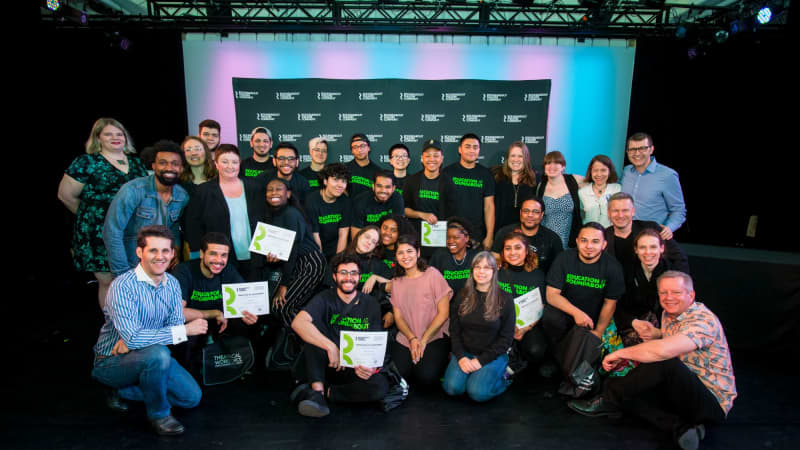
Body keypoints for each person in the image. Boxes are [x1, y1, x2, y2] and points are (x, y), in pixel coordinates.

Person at [568, 272, 736, 450]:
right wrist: (658, 334)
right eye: (663, 293)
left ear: (691, 295)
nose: (669, 298)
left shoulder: (703, 321)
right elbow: (676, 339)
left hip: (711, 402)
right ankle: (680, 426)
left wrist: (621, 354)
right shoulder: (669, 313)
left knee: (663, 362)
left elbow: (664, 351)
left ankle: (606, 401)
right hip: (680, 390)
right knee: (627, 387)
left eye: (676, 292)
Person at [91, 226, 206, 436]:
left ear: (172, 254)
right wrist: (183, 330)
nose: (160, 257)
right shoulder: (122, 287)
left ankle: (125, 391)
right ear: (139, 252)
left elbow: (168, 327)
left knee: (191, 398)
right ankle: (159, 414)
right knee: (158, 354)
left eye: (165, 251)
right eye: (153, 250)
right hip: (111, 360)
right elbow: (142, 336)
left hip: (148, 354)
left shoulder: (172, 284)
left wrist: (137, 340)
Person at [58, 118, 149, 309]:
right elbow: (66, 195)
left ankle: (134, 321)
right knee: (108, 280)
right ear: (98, 138)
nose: (115, 138)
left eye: (119, 134)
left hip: (132, 229)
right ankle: (113, 326)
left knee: (135, 277)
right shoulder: (86, 162)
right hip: (98, 232)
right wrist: (92, 218)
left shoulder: (137, 163)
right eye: (108, 134)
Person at [290, 252, 391, 417]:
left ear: (359, 277)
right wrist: (331, 347)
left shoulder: (371, 303)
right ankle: (317, 391)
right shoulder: (324, 298)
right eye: (343, 272)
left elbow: (375, 341)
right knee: (312, 336)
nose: (348, 277)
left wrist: (367, 367)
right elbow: (298, 323)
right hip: (327, 363)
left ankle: (326, 394)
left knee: (380, 387)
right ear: (334, 276)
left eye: (353, 273)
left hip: (353, 367)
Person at [171, 232, 259, 370]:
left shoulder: (229, 270)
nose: (219, 260)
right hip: (195, 322)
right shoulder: (183, 271)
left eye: (224, 255)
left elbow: (245, 302)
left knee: (250, 324)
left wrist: (248, 315)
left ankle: (242, 370)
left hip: (221, 321)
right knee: (185, 339)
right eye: (213, 254)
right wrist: (213, 313)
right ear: (201, 254)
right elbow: (177, 314)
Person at [103, 140, 189, 277]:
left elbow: (173, 227)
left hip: (162, 267)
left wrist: (176, 250)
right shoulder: (132, 191)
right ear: (154, 166)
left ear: (181, 168)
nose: (169, 167)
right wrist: (123, 274)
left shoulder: (182, 196)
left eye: (175, 164)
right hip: (133, 265)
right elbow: (112, 232)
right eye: (163, 163)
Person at [184, 144, 265, 280]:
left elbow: (266, 219)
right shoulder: (203, 192)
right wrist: (200, 254)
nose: (230, 166)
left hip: (255, 258)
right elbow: (193, 225)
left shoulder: (254, 187)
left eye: (234, 162)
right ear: (216, 164)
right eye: (225, 161)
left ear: (240, 163)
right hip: (220, 260)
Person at [442, 251, 515, 402]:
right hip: (465, 353)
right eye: (477, 267)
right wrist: (461, 357)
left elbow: (506, 339)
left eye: (487, 268)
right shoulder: (462, 296)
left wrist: (480, 361)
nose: (481, 271)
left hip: (492, 355)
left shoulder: (505, 299)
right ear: (472, 270)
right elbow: (454, 331)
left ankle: (503, 378)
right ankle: (472, 375)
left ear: (494, 271)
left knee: (477, 393)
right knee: (452, 388)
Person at [542, 223, 625, 350]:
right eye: (584, 240)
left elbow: (610, 303)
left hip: (592, 319)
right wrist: (577, 313)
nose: (589, 246)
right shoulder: (564, 258)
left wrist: (598, 332)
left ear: (604, 245)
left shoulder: (613, 266)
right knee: (550, 316)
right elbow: (551, 295)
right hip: (566, 313)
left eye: (595, 241)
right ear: (577, 241)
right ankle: (555, 353)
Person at [258, 178, 325, 330]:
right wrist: (272, 259)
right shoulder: (272, 215)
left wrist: (284, 285)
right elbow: (284, 253)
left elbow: (293, 250)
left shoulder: (290, 214)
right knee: (277, 307)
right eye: (270, 189)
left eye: (278, 189)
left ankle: (307, 345)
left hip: (310, 264)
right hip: (296, 264)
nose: (274, 192)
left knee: (282, 307)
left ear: (288, 194)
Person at [390, 235, 452, 389]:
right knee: (400, 375)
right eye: (400, 253)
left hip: (433, 336)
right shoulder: (396, 282)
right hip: (407, 336)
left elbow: (443, 314)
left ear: (418, 253)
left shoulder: (433, 274)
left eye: (409, 251)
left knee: (426, 377)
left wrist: (423, 340)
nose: (405, 256)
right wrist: (412, 338)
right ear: (396, 257)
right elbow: (398, 317)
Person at [614, 229, 678, 347]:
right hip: (630, 323)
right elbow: (616, 303)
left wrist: (660, 333)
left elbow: (679, 311)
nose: (648, 252)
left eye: (653, 247)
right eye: (642, 247)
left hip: (663, 328)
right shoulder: (626, 270)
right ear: (636, 250)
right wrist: (633, 322)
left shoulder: (672, 273)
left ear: (662, 248)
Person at [605, 192, 689, 276]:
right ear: (609, 213)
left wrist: (680, 285)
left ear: (633, 211)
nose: (620, 215)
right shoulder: (603, 236)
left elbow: (679, 258)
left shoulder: (652, 228)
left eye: (625, 210)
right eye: (615, 211)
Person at [621, 132, 687, 236]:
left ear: (651, 149)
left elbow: (678, 210)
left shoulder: (667, 175)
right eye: (632, 149)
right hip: (624, 235)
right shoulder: (625, 172)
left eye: (642, 148)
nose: (637, 153)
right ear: (627, 152)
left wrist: (669, 228)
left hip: (651, 238)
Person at [497, 232, 548, 368]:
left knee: (536, 350)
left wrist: (526, 328)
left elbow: (541, 306)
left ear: (527, 251)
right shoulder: (496, 271)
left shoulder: (538, 275)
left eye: (518, 248)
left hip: (527, 324)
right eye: (508, 248)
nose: (512, 252)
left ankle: (519, 360)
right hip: (500, 323)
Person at [440, 133, 496, 249]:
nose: (471, 150)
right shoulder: (447, 172)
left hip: (476, 234)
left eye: (475, 147)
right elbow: (440, 204)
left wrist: (489, 236)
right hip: (451, 232)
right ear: (460, 149)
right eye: (467, 147)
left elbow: (489, 206)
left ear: (479, 150)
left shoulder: (486, 174)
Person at [491, 196, 563, 274]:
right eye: (526, 211)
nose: (530, 215)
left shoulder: (553, 239)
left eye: (535, 212)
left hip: (539, 282)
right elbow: (495, 258)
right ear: (520, 213)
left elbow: (558, 269)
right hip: (507, 281)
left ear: (542, 215)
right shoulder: (504, 233)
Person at [536, 150, 584, 250]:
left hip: (570, 241)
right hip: (546, 241)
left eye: (556, 162)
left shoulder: (575, 180)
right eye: (548, 163)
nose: (552, 166)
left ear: (563, 166)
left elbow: (597, 180)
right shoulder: (541, 187)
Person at [304, 163, 352, 260]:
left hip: (337, 248)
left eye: (343, 181)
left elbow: (343, 234)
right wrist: (320, 260)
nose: (340, 185)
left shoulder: (345, 201)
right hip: (316, 248)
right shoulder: (311, 200)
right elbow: (315, 234)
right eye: (335, 180)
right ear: (325, 181)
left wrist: (338, 261)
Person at [491, 142, 537, 231]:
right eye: (513, 156)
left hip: (524, 233)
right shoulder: (496, 177)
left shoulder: (533, 180)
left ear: (526, 159)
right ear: (507, 158)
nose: (516, 159)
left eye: (520, 156)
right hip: (498, 232)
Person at [403, 139, 445, 238]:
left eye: (436, 156)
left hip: (441, 235)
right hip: (415, 235)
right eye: (427, 156)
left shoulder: (448, 182)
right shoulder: (412, 181)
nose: (432, 159)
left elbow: (453, 213)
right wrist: (422, 214)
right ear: (422, 158)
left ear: (442, 158)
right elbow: (404, 209)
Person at [429, 218, 480, 295]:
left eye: (456, 237)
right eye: (448, 237)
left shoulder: (475, 257)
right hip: (445, 303)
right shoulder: (439, 256)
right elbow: (431, 283)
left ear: (466, 238)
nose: (450, 241)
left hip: (470, 303)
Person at [350, 170, 404, 238]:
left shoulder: (397, 198)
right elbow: (356, 235)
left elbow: (400, 228)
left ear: (393, 188)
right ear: (373, 186)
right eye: (379, 186)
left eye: (387, 187)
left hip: (388, 239)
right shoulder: (360, 202)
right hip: (366, 241)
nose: (383, 191)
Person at [578, 154, 621, 227]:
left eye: (603, 170)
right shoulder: (582, 192)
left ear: (609, 171)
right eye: (595, 170)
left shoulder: (617, 189)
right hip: (590, 234)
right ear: (590, 171)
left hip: (610, 233)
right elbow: (581, 215)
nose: (599, 174)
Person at [346, 133, 381, 198]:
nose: (359, 150)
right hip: (350, 207)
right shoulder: (344, 169)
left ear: (368, 148)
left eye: (362, 146)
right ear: (352, 151)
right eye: (355, 147)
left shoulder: (378, 171)